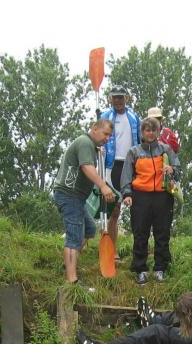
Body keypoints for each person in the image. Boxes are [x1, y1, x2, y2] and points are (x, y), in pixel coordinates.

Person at [53, 119, 115, 286]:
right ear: (94, 128)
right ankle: (71, 280)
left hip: (77, 198)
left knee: (89, 229)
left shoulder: (90, 146)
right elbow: (87, 167)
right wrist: (103, 186)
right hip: (69, 195)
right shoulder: (85, 142)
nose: (107, 138)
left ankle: (69, 264)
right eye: (105, 134)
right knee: (74, 237)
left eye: (109, 136)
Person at [121, 117, 180, 285]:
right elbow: (126, 175)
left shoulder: (166, 149)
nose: (151, 133)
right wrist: (127, 194)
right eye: (147, 130)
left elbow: (178, 169)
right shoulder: (134, 151)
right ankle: (140, 269)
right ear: (142, 132)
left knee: (162, 233)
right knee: (140, 233)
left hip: (163, 195)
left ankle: (161, 268)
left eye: (154, 130)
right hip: (140, 196)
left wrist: (172, 169)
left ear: (158, 132)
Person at [99, 86, 141, 264]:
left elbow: (140, 140)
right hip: (111, 165)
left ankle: (140, 249)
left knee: (136, 207)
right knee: (114, 209)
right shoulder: (105, 116)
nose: (117, 100)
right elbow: (97, 138)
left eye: (120, 97)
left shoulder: (134, 117)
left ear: (126, 98)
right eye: (114, 97)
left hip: (130, 165)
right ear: (110, 99)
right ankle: (111, 249)